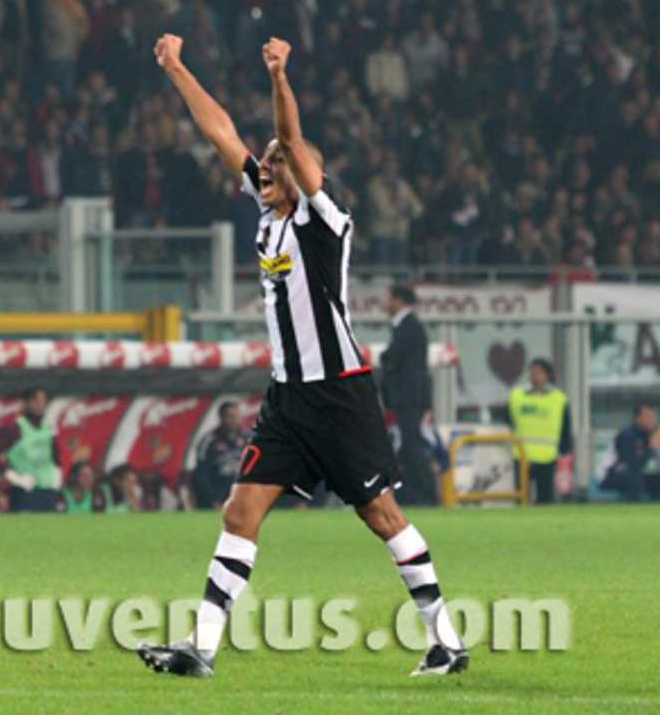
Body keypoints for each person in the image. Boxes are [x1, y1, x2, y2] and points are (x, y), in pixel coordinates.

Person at [137, 34, 467, 679]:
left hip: (341, 395)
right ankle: (199, 648)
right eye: (262, 165)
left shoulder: (323, 221)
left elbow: (288, 139)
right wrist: (178, 68)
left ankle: (445, 641)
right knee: (241, 511)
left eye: (275, 163)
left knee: (382, 516)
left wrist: (280, 78)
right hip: (287, 400)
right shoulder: (265, 213)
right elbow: (222, 133)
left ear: (302, 172)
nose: (264, 167)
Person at [381, 284, 438, 505]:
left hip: (410, 398)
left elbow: (394, 358)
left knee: (413, 447)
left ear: (398, 300)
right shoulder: (407, 326)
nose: (385, 304)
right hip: (408, 398)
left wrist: (383, 359)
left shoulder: (409, 326)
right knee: (408, 447)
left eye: (388, 298)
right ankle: (418, 496)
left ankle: (428, 496)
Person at [0, 387, 62, 512]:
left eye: (43, 401)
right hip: (25, 492)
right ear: (25, 404)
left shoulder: (48, 429)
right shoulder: (15, 428)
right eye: (36, 401)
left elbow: (55, 456)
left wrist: (57, 475)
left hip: (49, 492)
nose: (40, 405)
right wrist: (13, 476)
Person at [507, 359, 573, 504]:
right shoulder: (517, 397)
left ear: (547, 375)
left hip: (547, 456)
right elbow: (508, 422)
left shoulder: (558, 399)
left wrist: (566, 453)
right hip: (521, 455)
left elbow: (565, 429)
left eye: (539, 372)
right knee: (521, 497)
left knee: (545, 498)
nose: (534, 376)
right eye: (532, 372)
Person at [599, 404, 660, 502]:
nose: (651, 421)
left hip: (636, 476)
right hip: (611, 476)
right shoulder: (626, 435)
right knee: (635, 480)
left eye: (653, 417)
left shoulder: (652, 435)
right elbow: (633, 466)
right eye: (647, 417)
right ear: (637, 418)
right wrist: (652, 447)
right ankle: (632, 512)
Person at [192, 402, 249, 509]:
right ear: (221, 418)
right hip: (217, 499)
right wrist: (213, 500)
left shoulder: (248, 438)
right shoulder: (209, 441)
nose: (234, 420)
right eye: (230, 416)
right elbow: (201, 474)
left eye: (237, 416)